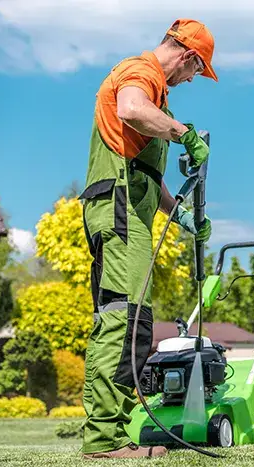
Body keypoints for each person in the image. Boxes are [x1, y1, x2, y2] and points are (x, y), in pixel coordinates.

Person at [78, 18, 217, 459]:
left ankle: (113, 433)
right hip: (117, 209)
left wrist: (184, 218)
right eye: (198, 70)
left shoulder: (160, 93)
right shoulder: (141, 72)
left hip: (131, 210)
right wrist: (184, 134)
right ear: (189, 56)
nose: (194, 79)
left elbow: (146, 176)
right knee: (122, 319)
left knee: (133, 321)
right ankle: (104, 441)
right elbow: (131, 109)